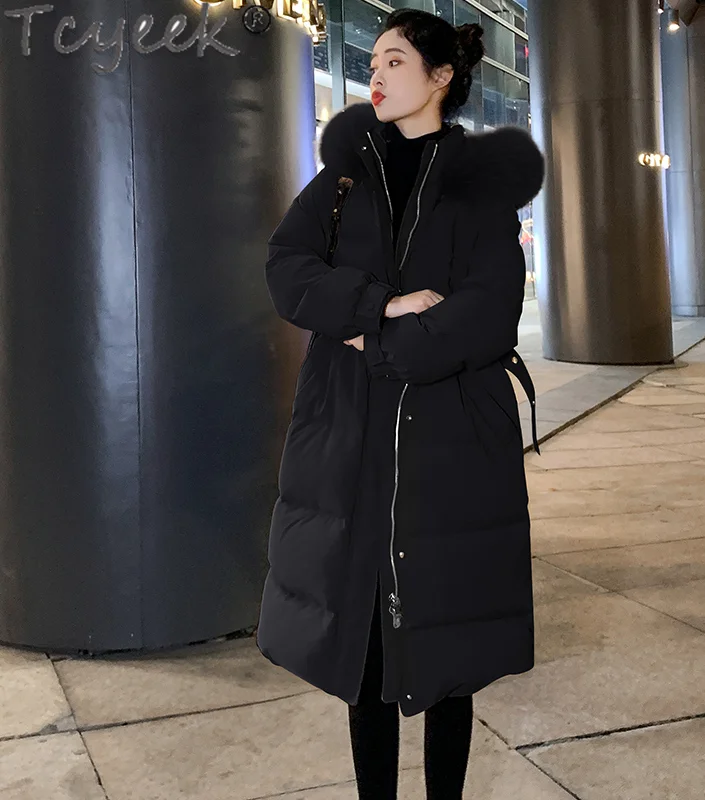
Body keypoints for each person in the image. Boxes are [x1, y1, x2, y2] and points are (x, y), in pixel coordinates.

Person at [256, 8, 545, 798]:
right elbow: (286, 269)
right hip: (350, 438)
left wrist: (375, 345)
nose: (375, 75)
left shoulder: (478, 189)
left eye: (394, 61)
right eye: (374, 61)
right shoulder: (344, 178)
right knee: (364, 650)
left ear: (441, 77)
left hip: (452, 438)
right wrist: (378, 304)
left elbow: (489, 310)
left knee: (447, 652)